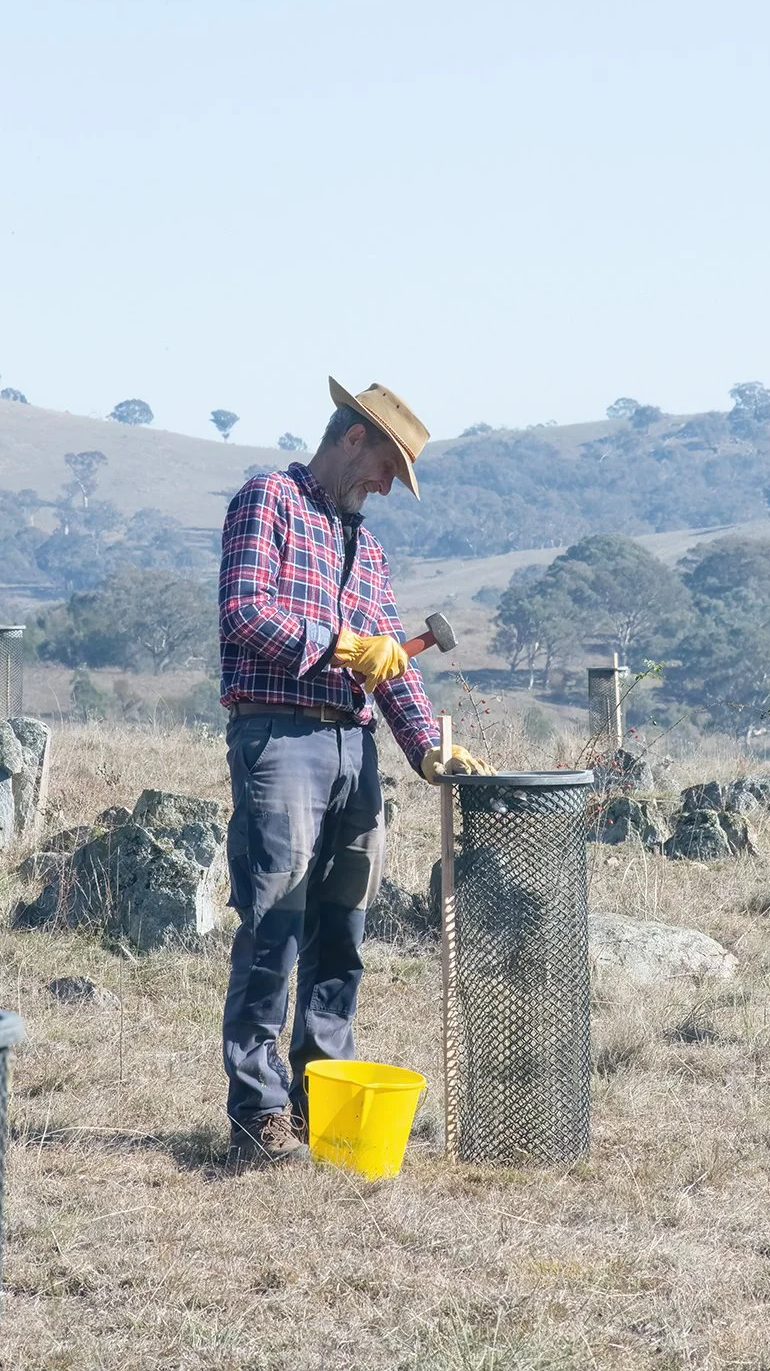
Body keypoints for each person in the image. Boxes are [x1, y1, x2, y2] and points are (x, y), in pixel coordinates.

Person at [218, 376, 492, 1162]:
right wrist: (337, 645)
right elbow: (244, 611)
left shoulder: (365, 547)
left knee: (341, 932)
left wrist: (429, 748)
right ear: (352, 438)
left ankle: (322, 1101)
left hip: (353, 750)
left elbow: (391, 667)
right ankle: (260, 1113)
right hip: (279, 739)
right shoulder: (267, 500)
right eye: (386, 468)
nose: (385, 486)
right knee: (276, 926)